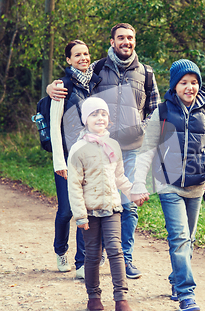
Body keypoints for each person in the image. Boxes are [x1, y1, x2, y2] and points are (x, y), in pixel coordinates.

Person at [47, 23, 160, 279]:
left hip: (131, 150)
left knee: (128, 205)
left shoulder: (147, 73)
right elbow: (72, 85)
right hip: (96, 149)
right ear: (112, 41)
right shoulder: (97, 69)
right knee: (88, 204)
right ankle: (86, 259)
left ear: (135, 41)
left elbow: (155, 109)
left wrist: (142, 129)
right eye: (121, 38)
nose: (126, 42)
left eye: (130, 38)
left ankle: (125, 259)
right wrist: (50, 89)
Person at [130, 59, 205, 311]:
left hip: (196, 186)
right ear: (174, 86)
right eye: (184, 83)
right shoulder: (161, 112)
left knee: (189, 239)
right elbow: (147, 150)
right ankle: (186, 294)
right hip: (168, 185)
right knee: (180, 238)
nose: (190, 87)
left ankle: (176, 279)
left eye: (194, 83)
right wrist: (139, 183)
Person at [68, 97, 145, 311]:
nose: (100, 118)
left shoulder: (113, 145)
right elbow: (74, 185)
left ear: (108, 119)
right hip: (90, 212)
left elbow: (120, 177)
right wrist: (80, 215)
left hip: (112, 208)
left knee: (115, 250)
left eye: (103, 114)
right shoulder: (78, 149)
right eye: (94, 114)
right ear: (85, 120)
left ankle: (121, 299)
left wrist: (133, 193)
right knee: (92, 254)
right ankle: (94, 298)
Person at [50, 40, 98, 279]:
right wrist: (59, 162)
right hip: (67, 160)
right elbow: (54, 127)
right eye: (77, 55)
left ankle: (82, 263)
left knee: (84, 211)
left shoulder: (95, 84)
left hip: (89, 160)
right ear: (68, 59)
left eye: (86, 54)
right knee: (67, 211)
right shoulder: (62, 86)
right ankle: (60, 250)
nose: (83, 58)